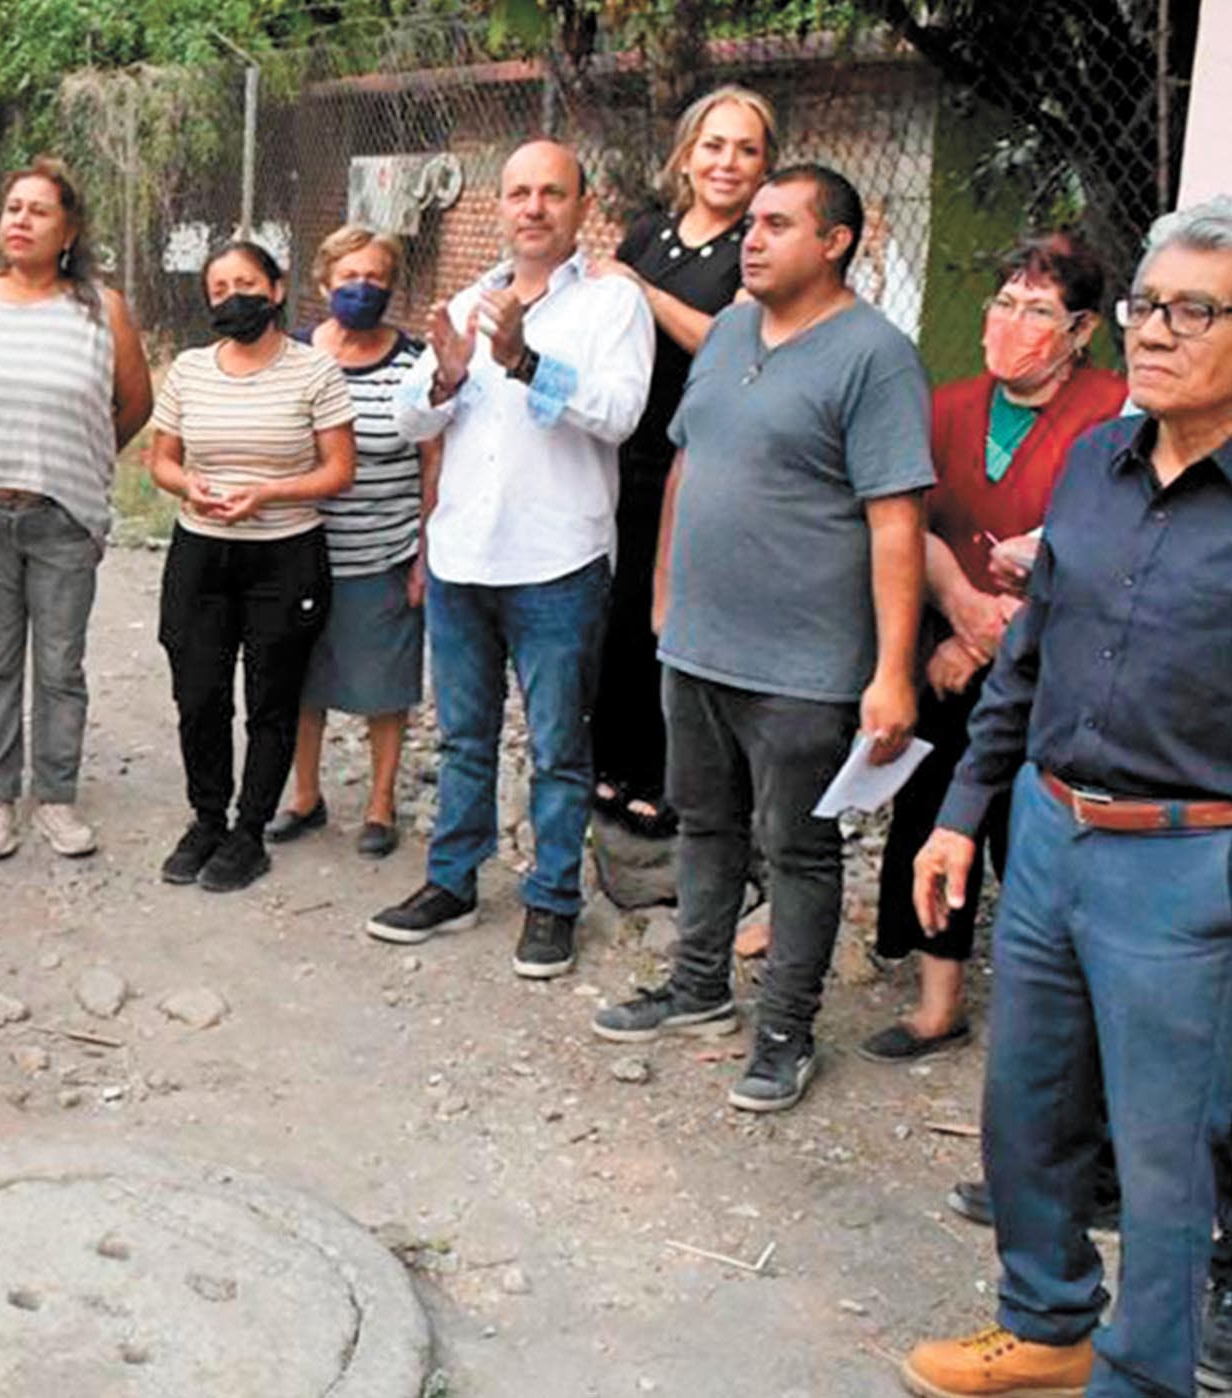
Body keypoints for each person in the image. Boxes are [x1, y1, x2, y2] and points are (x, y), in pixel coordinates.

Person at [901, 195, 1232, 1398]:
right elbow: (1027, 657)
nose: (1155, 330)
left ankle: (1143, 1376)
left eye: (1194, 311)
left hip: (1186, 862)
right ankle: (1045, 1323)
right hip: (1047, 833)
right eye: (1147, 304)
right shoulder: (1097, 463)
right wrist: (961, 812)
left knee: (1163, 1156)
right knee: (1027, 1110)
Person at [589, 164, 933, 1113]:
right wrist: (664, 593)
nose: (752, 238)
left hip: (804, 663)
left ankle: (786, 1029)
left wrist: (892, 672)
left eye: (778, 223)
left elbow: (897, 520)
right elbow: (687, 462)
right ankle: (697, 986)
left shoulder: (876, 357)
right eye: (750, 223)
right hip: (695, 641)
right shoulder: (731, 332)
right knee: (705, 824)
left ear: (836, 242)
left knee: (799, 850)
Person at [364, 139, 654, 979]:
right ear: (499, 206)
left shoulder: (611, 305)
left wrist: (526, 362)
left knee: (558, 747)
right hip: (464, 557)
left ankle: (553, 899)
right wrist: (446, 380)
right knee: (464, 738)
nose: (533, 207)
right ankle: (452, 881)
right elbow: (407, 421)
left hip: (557, 563)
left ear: (581, 206)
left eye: (551, 193)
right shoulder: (468, 300)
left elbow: (620, 415)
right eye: (519, 192)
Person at [859, 232, 1126, 1064]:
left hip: (1058, 664)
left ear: (1081, 330)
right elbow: (910, 520)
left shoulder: (1115, 412)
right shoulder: (947, 407)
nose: (1014, 323)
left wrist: (983, 644)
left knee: (1036, 838)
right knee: (933, 809)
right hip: (948, 645)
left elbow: (1104, 542)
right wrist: (961, 612)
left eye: (1039, 310)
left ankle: (1062, 1023)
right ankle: (938, 1004)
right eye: (1005, 302)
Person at [0, 156, 152, 861]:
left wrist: (77, 458)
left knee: (59, 666)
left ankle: (55, 798)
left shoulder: (101, 308)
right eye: (13, 208)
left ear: (69, 230)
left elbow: (134, 403)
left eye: (39, 210)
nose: (21, 220)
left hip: (64, 518)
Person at [586, 84, 776, 842]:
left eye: (746, 150)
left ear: (765, 166)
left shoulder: (756, 248)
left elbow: (726, 342)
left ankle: (671, 777)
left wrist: (641, 291)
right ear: (687, 155)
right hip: (621, 449)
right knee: (619, 612)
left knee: (674, 618)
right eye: (714, 145)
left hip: (697, 457)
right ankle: (609, 757)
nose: (728, 162)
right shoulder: (647, 234)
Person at [147, 240, 358, 892]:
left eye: (245, 284)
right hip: (201, 552)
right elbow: (161, 461)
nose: (232, 298)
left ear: (276, 288)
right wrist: (190, 487)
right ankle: (207, 819)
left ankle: (249, 831)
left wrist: (268, 493)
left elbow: (339, 470)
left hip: (286, 554)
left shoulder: (315, 372)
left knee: (271, 697)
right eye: (219, 289)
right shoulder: (190, 369)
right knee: (198, 694)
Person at [263, 225, 431, 860]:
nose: (363, 288)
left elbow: (433, 460)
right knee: (301, 681)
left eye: (376, 277)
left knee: (384, 685)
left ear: (393, 285)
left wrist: (424, 552)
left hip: (383, 551)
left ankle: (380, 805)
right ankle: (305, 797)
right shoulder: (295, 355)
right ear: (324, 281)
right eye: (350, 276)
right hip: (300, 549)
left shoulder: (414, 364)